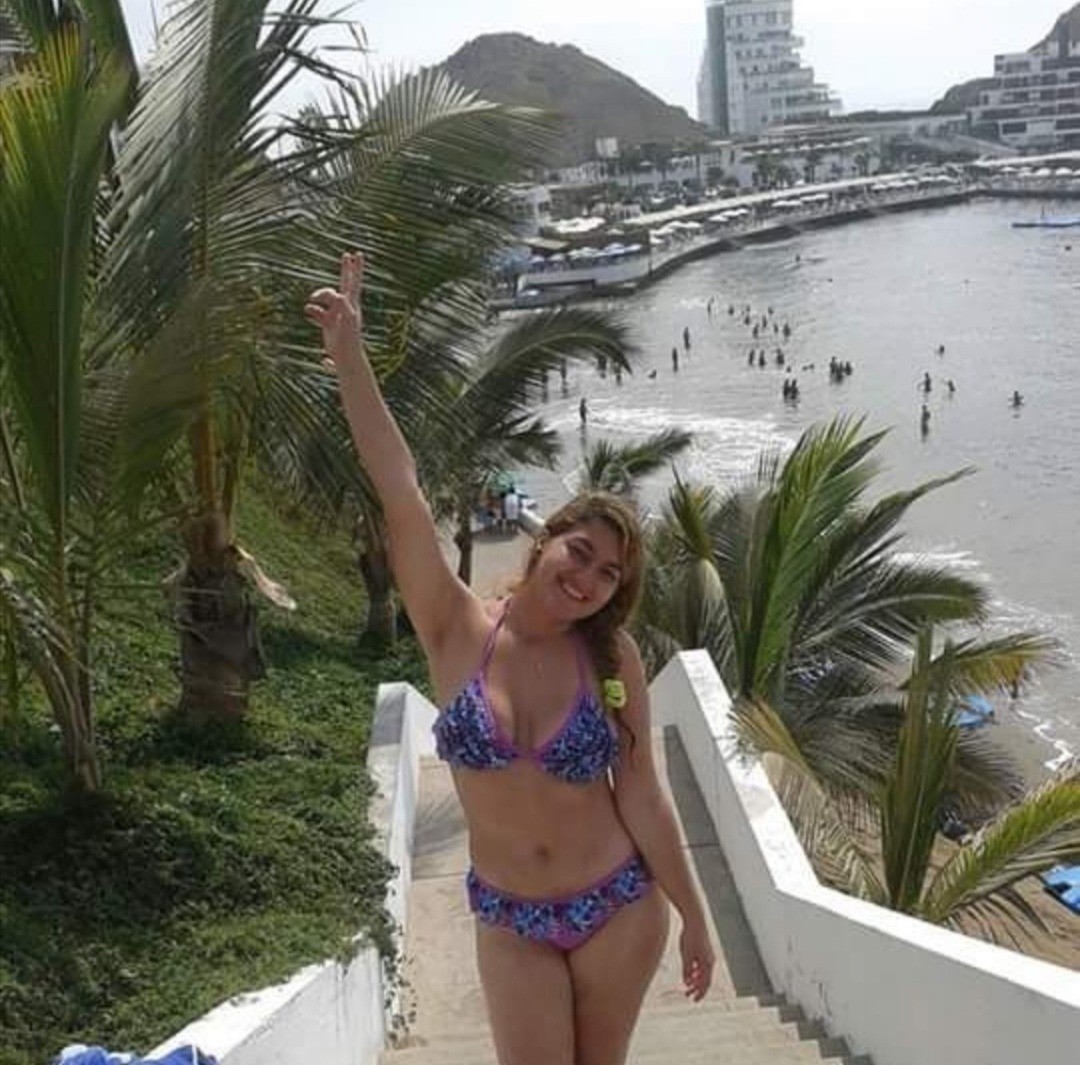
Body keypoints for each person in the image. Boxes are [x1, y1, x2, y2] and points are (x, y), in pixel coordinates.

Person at [306, 252, 715, 1065]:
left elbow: (642, 792)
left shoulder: (612, 657)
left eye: (610, 575)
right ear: (546, 538)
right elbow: (401, 489)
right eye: (581, 551)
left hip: (618, 905)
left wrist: (694, 914)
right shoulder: (455, 628)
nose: (588, 579)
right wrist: (351, 361)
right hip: (510, 917)